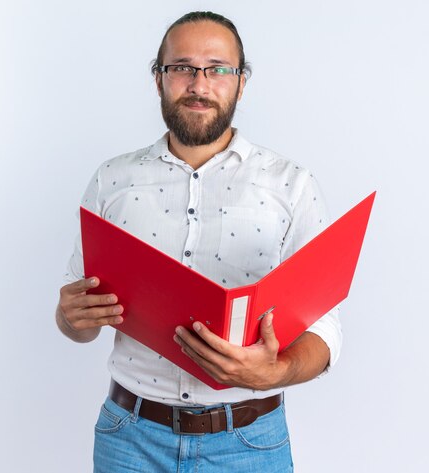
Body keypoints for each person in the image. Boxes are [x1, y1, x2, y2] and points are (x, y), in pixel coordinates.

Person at [56, 11, 342, 472]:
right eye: (182, 67)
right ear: (159, 79)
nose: (199, 83)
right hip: (129, 439)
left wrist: (275, 372)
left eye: (218, 69)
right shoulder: (112, 180)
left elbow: (325, 327)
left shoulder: (292, 185)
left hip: (250, 444)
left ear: (241, 83)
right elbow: (80, 321)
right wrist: (72, 318)